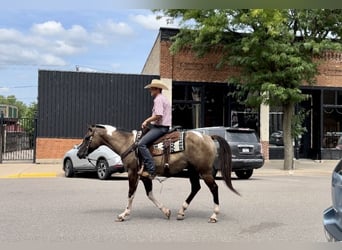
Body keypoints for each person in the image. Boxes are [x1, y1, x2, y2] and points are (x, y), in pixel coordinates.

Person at [138, 79, 172, 179]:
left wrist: (146, 121)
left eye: (152, 88)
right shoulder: (162, 98)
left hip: (161, 128)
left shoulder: (158, 99)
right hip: (161, 127)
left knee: (141, 144)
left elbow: (158, 115)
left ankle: (151, 170)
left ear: (157, 89)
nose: (150, 90)